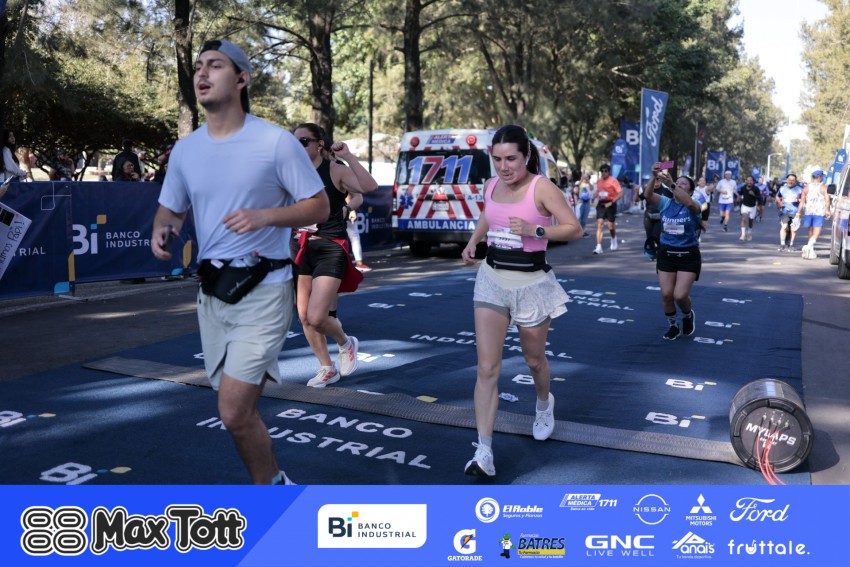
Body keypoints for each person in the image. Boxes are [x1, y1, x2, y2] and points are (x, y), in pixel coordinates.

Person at [150, 39, 328, 485]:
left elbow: (319, 206)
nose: (202, 73)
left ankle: (269, 496)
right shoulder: (186, 150)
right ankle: (276, 486)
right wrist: (163, 228)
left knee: (232, 410)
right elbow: (171, 208)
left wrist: (266, 216)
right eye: (199, 66)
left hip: (264, 291)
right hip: (212, 294)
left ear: (242, 79)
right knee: (240, 413)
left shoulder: (275, 142)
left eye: (215, 65)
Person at [460, 124, 583, 477]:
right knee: (487, 368)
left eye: (511, 159)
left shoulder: (542, 188)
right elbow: (488, 214)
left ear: (527, 155)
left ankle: (544, 404)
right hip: (492, 280)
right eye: (497, 159)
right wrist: (474, 240)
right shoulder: (491, 184)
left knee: (534, 361)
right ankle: (484, 451)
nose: (504, 167)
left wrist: (535, 230)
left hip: (531, 285)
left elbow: (574, 228)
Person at [291, 122, 379, 388]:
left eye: (303, 142)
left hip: (330, 247)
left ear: (319, 144)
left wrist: (348, 156)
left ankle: (345, 342)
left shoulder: (335, 170)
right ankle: (327, 368)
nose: (297, 147)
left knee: (317, 316)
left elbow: (369, 187)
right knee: (304, 317)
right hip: (302, 247)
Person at [643, 162, 702, 341]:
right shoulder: (665, 203)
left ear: (690, 191)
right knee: (667, 295)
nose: (679, 184)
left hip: (688, 255)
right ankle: (673, 325)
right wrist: (654, 176)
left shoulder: (694, 204)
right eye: (678, 182)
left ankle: (688, 314)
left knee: (680, 295)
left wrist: (672, 184)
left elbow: (689, 203)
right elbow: (647, 195)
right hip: (666, 254)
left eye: (683, 184)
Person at [796, 170, 831, 258]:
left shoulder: (806, 187)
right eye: (822, 176)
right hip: (819, 212)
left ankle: (810, 251)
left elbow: (802, 202)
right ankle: (808, 247)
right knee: (817, 232)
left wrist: (798, 212)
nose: (822, 178)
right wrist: (828, 210)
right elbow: (827, 200)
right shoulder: (824, 187)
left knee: (810, 230)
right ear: (819, 177)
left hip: (809, 212)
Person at [640, 170, 674, 260]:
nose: (656, 182)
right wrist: (636, 192)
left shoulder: (665, 190)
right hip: (648, 216)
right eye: (654, 180)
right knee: (649, 236)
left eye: (658, 180)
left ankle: (659, 252)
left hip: (660, 217)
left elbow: (675, 198)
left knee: (656, 236)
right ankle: (652, 252)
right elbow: (637, 199)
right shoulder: (648, 190)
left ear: (661, 181)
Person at [592, 163, 622, 254]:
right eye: (602, 171)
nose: (603, 173)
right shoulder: (599, 181)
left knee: (610, 226)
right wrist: (593, 197)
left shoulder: (613, 181)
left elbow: (620, 193)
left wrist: (611, 202)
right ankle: (599, 247)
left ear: (609, 172)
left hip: (611, 203)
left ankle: (613, 238)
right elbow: (598, 191)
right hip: (601, 204)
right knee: (600, 224)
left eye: (605, 171)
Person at [776, 173, 802, 252]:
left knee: (793, 229)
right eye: (789, 180)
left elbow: (804, 200)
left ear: (795, 181)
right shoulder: (782, 188)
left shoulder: (800, 189)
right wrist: (780, 203)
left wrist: (798, 200)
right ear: (787, 180)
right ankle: (782, 245)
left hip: (795, 212)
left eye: (793, 180)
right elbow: (777, 196)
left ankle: (791, 245)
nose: (791, 182)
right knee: (784, 227)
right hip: (785, 211)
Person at [737, 175, 763, 241]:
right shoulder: (743, 187)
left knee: (751, 221)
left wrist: (754, 195)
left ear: (753, 181)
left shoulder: (756, 189)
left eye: (750, 180)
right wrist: (738, 198)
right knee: (743, 219)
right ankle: (743, 234)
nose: (749, 182)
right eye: (748, 180)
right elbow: (740, 194)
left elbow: (760, 198)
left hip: (752, 207)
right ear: (746, 181)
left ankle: (749, 232)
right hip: (744, 206)